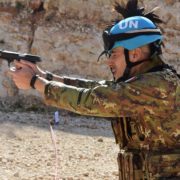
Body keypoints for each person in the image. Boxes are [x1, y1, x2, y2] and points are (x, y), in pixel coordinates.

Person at [9, 0, 180, 179]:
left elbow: (94, 99)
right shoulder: (144, 81)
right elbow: (99, 88)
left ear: (135, 54)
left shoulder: (157, 86)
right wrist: (46, 77)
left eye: (113, 54)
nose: (109, 62)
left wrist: (35, 82)